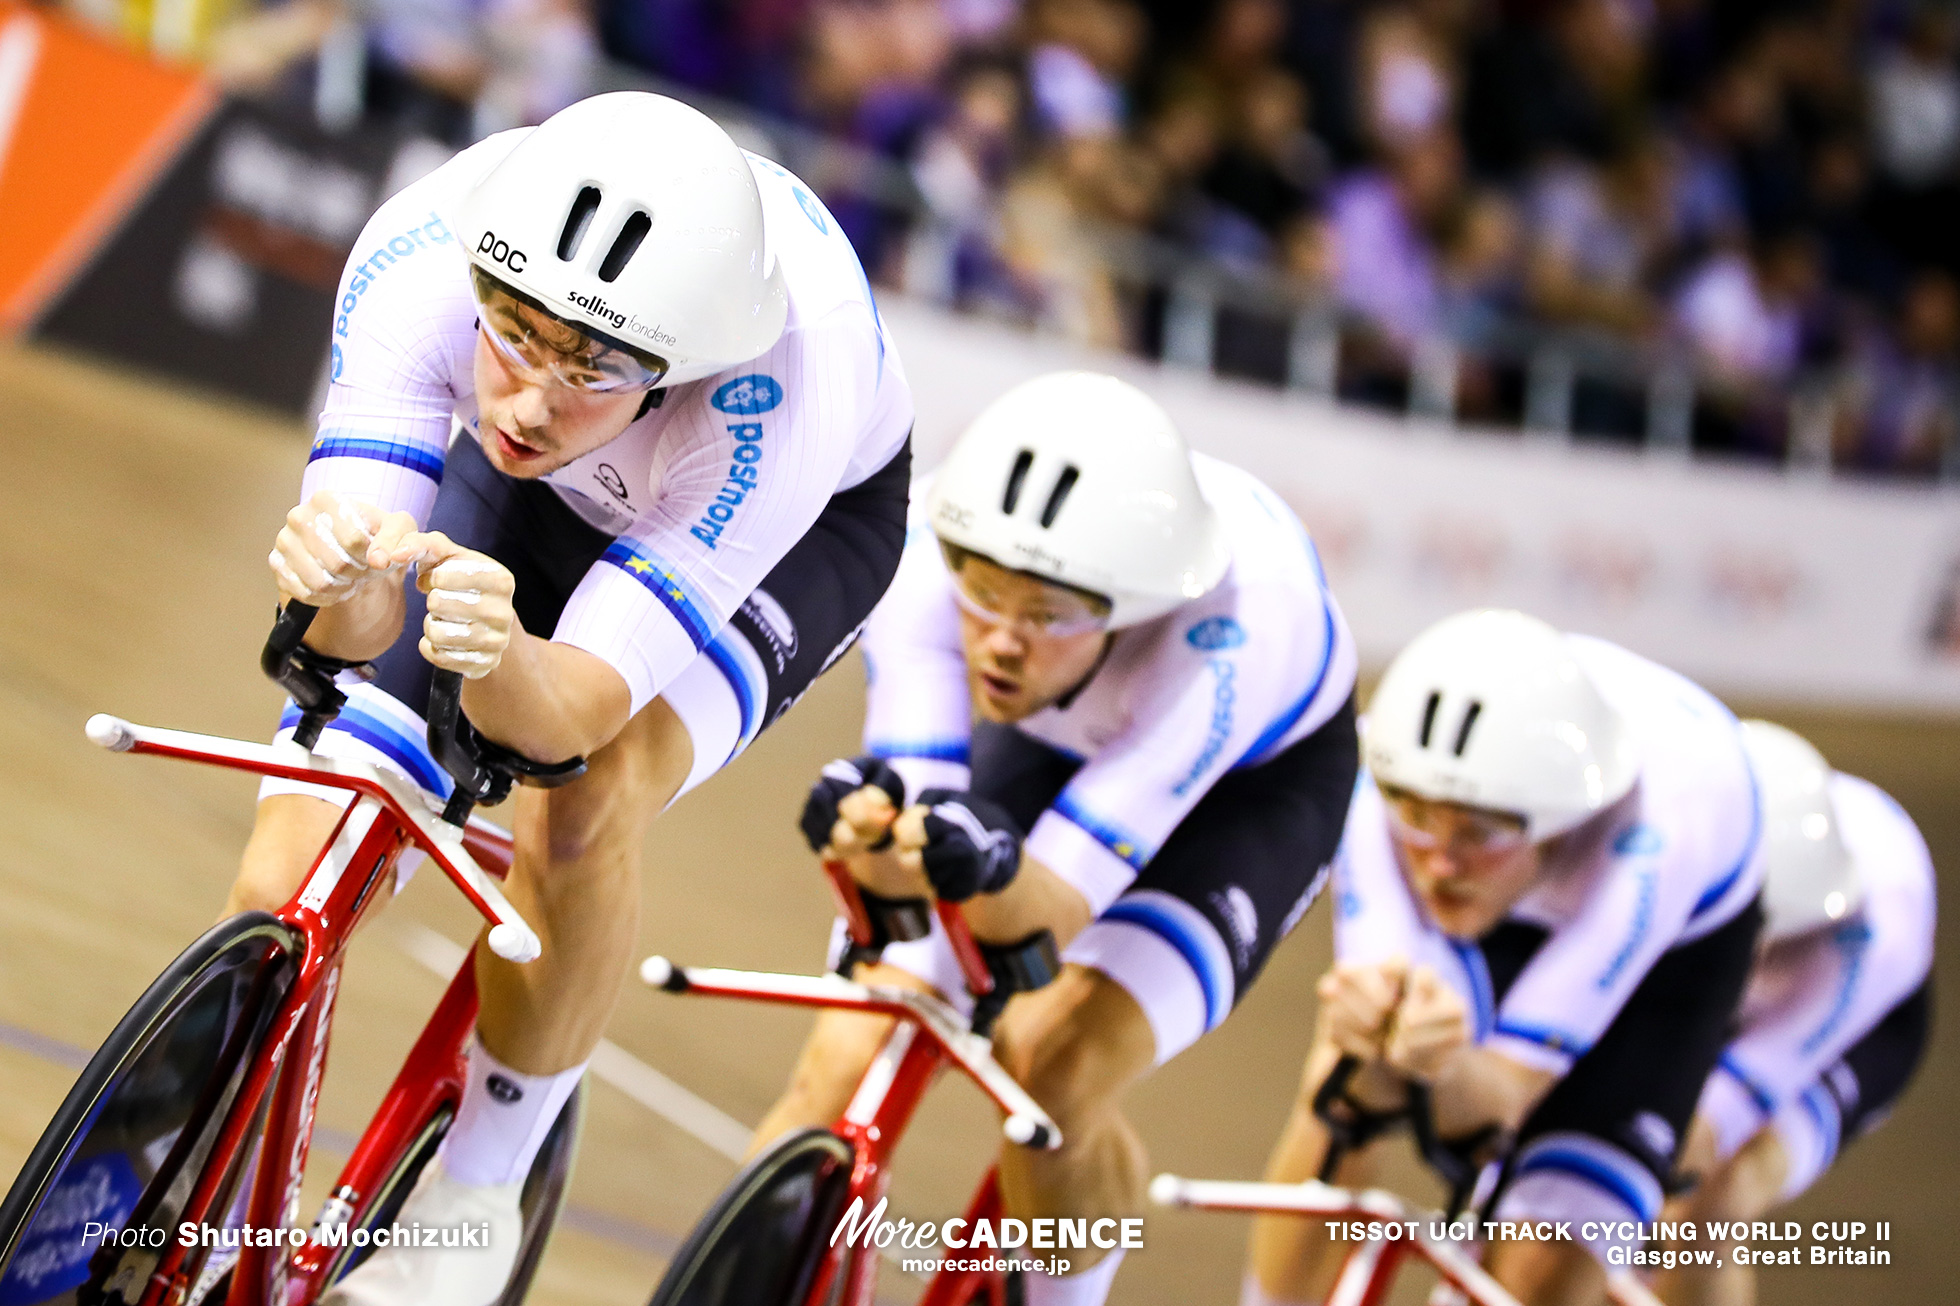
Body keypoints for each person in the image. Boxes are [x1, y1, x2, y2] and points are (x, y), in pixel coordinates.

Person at [229, 91, 914, 1306]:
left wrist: (500, 662)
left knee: (585, 800)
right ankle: (199, 1139)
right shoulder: (427, 254)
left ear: (679, 367)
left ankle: (480, 1194)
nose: (535, 396)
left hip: (792, 526)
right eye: (516, 335)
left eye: (591, 365)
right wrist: (342, 591)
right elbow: (347, 635)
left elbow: (566, 721)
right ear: (482, 282)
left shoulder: (774, 400)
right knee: (330, 787)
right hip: (533, 487)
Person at [752, 370, 1360, 1306]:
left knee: (1053, 1065)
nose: (1000, 640)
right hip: (1056, 730)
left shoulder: (1229, 636)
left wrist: (971, 870)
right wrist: (864, 838)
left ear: (1130, 604)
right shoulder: (927, 561)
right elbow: (911, 856)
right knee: (853, 1039)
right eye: (987, 596)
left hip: (1248, 794)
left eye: (1048, 614)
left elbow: (1033, 921)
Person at [1243, 609, 1765, 1306]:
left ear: (1558, 822)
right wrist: (1388, 1035)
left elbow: (1501, 1102)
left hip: (1671, 949)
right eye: (1418, 817)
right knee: (1352, 1071)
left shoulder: (1659, 833)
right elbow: (1382, 1050)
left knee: (1546, 1248)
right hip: (1532, 864)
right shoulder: (1377, 784)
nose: (1439, 862)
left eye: (1477, 832)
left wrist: (1447, 1062)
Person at [1655, 721, 1935, 1306]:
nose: (1746, 955)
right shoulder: (1664, 840)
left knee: (1712, 1201)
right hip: (1699, 961)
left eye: (1765, 936)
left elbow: (1711, 1125)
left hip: (1846, 1019)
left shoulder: (1882, 927)